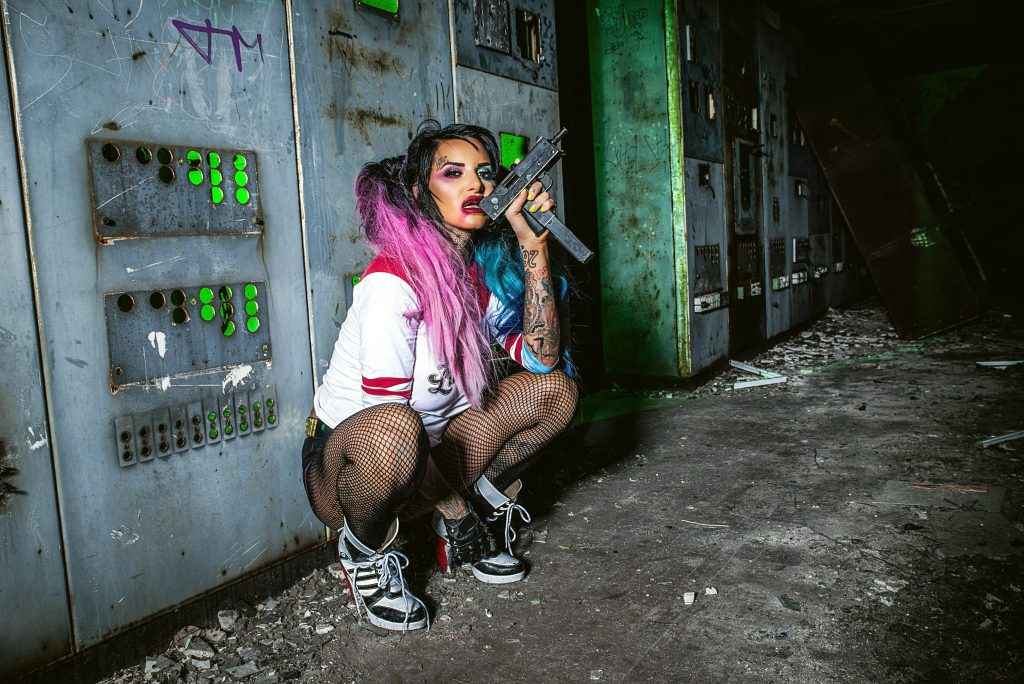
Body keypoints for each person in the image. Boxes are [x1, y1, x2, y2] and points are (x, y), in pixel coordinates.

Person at [300, 121, 579, 631]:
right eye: (453, 173)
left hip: (438, 450)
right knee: (396, 429)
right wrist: (455, 510)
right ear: (418, 192)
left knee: (554, 392)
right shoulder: (392, 283)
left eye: (485, 174)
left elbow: (541, 358)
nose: (475, 184)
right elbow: (385, 422)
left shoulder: (478, 277)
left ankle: (469, 520)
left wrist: (533, 245)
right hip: (354, 471)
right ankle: (364, 551)